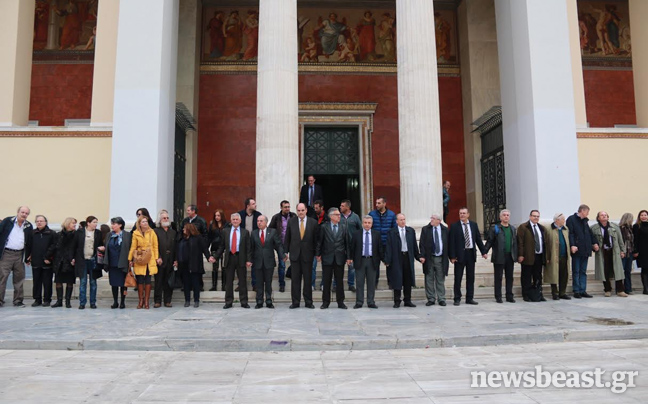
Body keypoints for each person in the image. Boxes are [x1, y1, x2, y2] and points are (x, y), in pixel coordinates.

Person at [448, 207, 487, 305]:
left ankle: (469, 298)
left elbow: (478, 239)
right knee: (458, 278)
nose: (462, 215)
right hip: (459, 255)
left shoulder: (473, 225)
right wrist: (452, 256)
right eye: (460, 213)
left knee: (471, 277)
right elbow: (451, 242)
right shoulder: (454, 226)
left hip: (470, 254)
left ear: (468, 214)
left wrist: (484, 251)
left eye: (464, 213)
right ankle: (457, 298)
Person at [284, 203, 319, 309]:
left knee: (308, 280)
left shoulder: (313, 222)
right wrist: (285, 252)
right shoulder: (291, 221)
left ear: (306, 210)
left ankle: (308, 302)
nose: (300, 212)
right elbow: (287, 238)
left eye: (302, 210)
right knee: (295, 280)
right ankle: (295, 302)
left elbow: (316, 240)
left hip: (308, 255)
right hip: (295, 255)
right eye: (298, 210)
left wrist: (317, 254)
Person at [316, 208, 352, 309]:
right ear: (331, 216)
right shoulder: (324, 227)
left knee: (339, 281)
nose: (339, 216)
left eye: (339, 215)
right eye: (337, 215)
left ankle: (340, 302)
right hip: (327, 257)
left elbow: (347, 243)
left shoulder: (344, 227)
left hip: (340, 257)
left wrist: (349, 257)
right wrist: (318, 254)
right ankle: (325, 302)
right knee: (326, 281)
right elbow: (320, 242)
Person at [385, 214, 422, 308]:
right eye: (401, 220)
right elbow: (388, 247)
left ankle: (407, 300)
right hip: (397, 257)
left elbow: (414, 246)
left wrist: (418, 257)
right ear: (396, 221)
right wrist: (387, 260)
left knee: (407, 279)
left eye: (404, 219)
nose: (403, 221)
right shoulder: (391, 232)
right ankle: (397, 300)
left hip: (407, 257)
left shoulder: (410, 231)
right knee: (397, 279)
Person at [216, 213, 252, 309]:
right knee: (228, 282)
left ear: (240, 221)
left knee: (242, 281)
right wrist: (215, 256)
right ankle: (228, 302)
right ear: (231, 221)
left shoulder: (245, 232)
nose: (235, 221)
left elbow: (248, 248)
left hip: (241, 258)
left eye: (237, 219)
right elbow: (222, 246)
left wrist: (248, 260)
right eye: (233, 219)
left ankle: (244, 301)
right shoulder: (225, 231)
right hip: (229, 258)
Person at [0, 206, 33, 308]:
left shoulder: (28, 225)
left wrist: (28, 256)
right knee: (2, 277)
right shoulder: (7, 221)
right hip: (6, 253)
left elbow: (30, 241)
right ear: (18, 212)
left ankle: (18, 300)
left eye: (26, 213)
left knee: (19, 279)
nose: (24, 214)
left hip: (20, 254)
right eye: (22, 212)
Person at [483, 209, 518, 303]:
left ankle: (509, 295)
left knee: (509, 277)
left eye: (507, 215)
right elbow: (490, 241)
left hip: (510, 256)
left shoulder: (513, 229)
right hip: (499, 256)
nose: (506, 217)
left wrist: (517, 254)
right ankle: (498, 296)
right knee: (498, 277)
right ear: (500, 217)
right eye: (504, 215)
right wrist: (484, 251)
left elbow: (515, 243)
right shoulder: (495, 228)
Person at [250, 215, 284, 309]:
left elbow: (278, 245)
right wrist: (249, 260)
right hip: (257, 262)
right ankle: (259, 301)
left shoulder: (272, 232)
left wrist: (282, 255)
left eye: (261, 221)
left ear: (266, 222)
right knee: (259, 283)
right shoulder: (254, 233)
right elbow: (251, 248)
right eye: (258, 221)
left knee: (268, 282)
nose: (259, 223)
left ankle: (269, 300)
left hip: (269, 261)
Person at [178, 223, 215, 308]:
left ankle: (196, 300)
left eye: (185, 228)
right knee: (186, 284)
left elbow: (204, 249)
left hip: (195, 264)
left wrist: (209, 257)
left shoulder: (198, 238)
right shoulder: (182, 239)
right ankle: (187, 300)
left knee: (195, 283)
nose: (183, 230)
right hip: (184, 264)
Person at [591, 211, 628, 297]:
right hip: (602, 252)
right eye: (602, 215)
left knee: (618, 270)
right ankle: (607, 289)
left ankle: (620, 290)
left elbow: (620, 240)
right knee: (605, 271)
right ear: (598, 218)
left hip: (614, 251)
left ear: (608, 217)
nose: (604, 216)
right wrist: (593, 246)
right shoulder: (594, 228)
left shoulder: (614, 227)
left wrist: (623, 251)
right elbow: (592, 240)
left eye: (605, 215)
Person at [566, 204, 599, 298]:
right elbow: (570, 233)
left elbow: (589, 233)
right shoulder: (571, 219)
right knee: (576, 270)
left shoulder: (585, 221)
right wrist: (572, 245)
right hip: (577, 249)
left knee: (583, 271)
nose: (588, 214)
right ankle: (576, 290)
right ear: (582, 211)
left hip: (586, 249)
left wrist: (594, 243)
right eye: (587, 212)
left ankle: (583, 290)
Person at [350, 216, 383, 308]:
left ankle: (371, 301)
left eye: (369, 223)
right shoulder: (356, 234)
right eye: (365, 222)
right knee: (359, 282)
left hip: (372, 260)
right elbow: (352, 247)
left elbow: (380, 248)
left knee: (371, 282)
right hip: (360, 260)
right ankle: (359, 302)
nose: (367, 224)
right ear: (362, 223)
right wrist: (350, 258)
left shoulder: (376, 234)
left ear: (372, 224)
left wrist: (383, 259)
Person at [128, 216, 159, 309]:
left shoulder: (152, 232)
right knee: (140, 279)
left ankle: (146, 301)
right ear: (139, 223)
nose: (145, 223)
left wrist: (156, 258)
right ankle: (140, 300)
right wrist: (130, 259)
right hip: (140, 258)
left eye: (146, 221)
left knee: (148, 280)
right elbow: (133, 247)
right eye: (143, 222)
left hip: (150, 258)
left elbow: (155, 246)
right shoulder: (135, 233)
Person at [419, 213, 449, 306]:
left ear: (439, 221)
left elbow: (449, 244)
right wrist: (422, 256)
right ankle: (431, 298)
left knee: (440, 278)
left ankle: (441, 298)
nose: (431, 219)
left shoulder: (445, 230)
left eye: (433, 218)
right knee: (429, 278)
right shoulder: (425, 229)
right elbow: (422, 244)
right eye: (431, 218)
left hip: (440, 258)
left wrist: (452, 256)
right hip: (429, 258)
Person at [517, 210, 547, 302]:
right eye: (534, 216)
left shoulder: (541, 228)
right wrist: (521, 254)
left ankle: (538, 294)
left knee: (538, 276)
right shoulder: (523, 227)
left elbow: (544, 242)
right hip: (528, 256)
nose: (536, 218)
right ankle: (526, 295)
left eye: (538, 216)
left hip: (539, 255)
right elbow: (520, 242)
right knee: (526, 276)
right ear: (530, 216)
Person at [74, 216, 103, 309]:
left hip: (93, 260)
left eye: (96, 222)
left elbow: (100, 244)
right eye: (94, 222)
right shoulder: (80, 232)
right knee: (83, 282)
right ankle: (82, 302)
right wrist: (73, 258)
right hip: (82, 260)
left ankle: (93, 302)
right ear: (88, 223)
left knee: (93, 282)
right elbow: (75, 246)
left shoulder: (98, 233)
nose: (96, 224)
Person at [104, 217, 132, 309]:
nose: (112, 226)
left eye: (114, 224)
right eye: (112, 224)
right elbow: (107, 246)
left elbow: (130, 248)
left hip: (123, 262)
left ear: (120, 225)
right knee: (114, 283)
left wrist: (131, 260)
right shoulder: (109, 235)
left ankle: (123, 301)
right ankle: (115, 301)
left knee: (123, 284)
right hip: (112, 263)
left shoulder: (127, 235)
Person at [369, 197, 397, 288]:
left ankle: (391, 283)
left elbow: (394, 230)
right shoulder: (372, 214)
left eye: (379, 203)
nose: (376, 205)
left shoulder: (392, 215)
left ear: (384, 204)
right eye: (376, 203)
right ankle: (374, 283)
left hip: (387, 244)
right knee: (375, 265)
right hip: (376, 244)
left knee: (389, 264)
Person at [268, 200, 295, 293]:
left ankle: (292, 276)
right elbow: (270, 229)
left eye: (288, 207)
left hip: (292, 243)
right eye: (285, 207)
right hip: (281, 244)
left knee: (294, 261)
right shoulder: (276, 218)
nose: (287, 208)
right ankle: (282, 284)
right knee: (282, 264)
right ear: (281, 207)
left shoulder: (293, 216)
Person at [30, 215, 57, 307]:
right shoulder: (32, 233)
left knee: (47, 281)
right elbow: (29, 246)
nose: (39, 223)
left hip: (47, 261)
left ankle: (47, 299)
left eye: (41, 221)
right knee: (36, 281)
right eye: (37, 221)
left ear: (45, 222)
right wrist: (28, 257)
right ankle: (37, 299)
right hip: (36, 261)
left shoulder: (51, 233)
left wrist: (48, 257)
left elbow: (54, 246)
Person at [544, 213, 571, 300]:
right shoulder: (548, 229)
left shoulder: (565, 229)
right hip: (553, 256)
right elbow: (546, 244)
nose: (564, 221)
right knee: (554, 274)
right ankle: (554, 293)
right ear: (557, 220)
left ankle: (562, 292)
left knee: (564, 275)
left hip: (564, 256)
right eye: (563, 219)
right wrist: (547, 257)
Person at [52, 217, 77, 308]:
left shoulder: (76, 235)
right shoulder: (58, 235)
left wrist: (74, 258)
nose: (74, 225)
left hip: (70, 261)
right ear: (67, 224)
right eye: (73, 223)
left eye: (75, 223)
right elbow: (54, 247)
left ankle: (68, 301)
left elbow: (77, 248)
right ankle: (59, 301)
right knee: (58, 281)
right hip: (60, 261)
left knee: (69, 282)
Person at [238, 198, 262, 291]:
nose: (255, 205)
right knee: (241, 265)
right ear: (248, 206)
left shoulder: (258, 215)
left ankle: (255, 284)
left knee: (255, 264)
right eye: (253, 203)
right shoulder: (240, 215)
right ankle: (241, 284)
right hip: (243, 242)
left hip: (255, 242)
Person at [154, 210, 177, 307]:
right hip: (160, 260)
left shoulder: (173, 232)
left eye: (167, 218)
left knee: (169, 282)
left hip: (170, 260)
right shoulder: (155, 231)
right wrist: (157, 257)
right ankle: (157, 301)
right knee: (158, 281)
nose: (166, 219)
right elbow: (154, 246)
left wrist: (176, 260)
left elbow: (176, 246)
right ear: (160, 220)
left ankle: (168, 300)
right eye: (164, 218)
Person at [340, 199, 361, 292]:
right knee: (338, 266)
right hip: (340, 245)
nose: (340, 207)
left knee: (351, 267)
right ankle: (336, 284)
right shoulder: (338, 216)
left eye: (342, 206)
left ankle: (351, 284)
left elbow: (360, 230)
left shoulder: (355, 217)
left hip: (352, 245)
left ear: (348, 207)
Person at [208, 209, 228, 291]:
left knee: (224, 267)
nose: (217, 217)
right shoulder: (212, 224)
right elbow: (209, 237)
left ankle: (224, 285)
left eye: (218, 215)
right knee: (214, 268)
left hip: (224, 248)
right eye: (215, 215)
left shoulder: (227, 224)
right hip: (215, 247)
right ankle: (214, 285)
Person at [311, 200, 328, 291]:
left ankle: (323, 284)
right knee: (312, 267)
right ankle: (312, 284)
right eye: (314, 208)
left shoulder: (327, 218)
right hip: (313, 246)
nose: (315, 209)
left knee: (325, 267)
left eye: (317, 208)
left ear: (322, 208)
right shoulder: (312, 217)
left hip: (325, 246)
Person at [619, 212, 635, 294]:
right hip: (623, 252)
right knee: (621, 271)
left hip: (630, 252)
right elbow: (620, 241)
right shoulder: (620, 228)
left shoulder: (631, 228)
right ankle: (620, 289)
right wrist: (621, 251)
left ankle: (628, 288)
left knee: (628, 271)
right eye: (631, 218)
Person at [633, 210, 648, 294]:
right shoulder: (636, 226)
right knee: (645, 269)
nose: (643, 216)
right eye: (642, 215)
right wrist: (635, 250)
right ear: (639, 217)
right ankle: (645, 289)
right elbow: (635, 239)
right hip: (642, 251)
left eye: (645, 215)